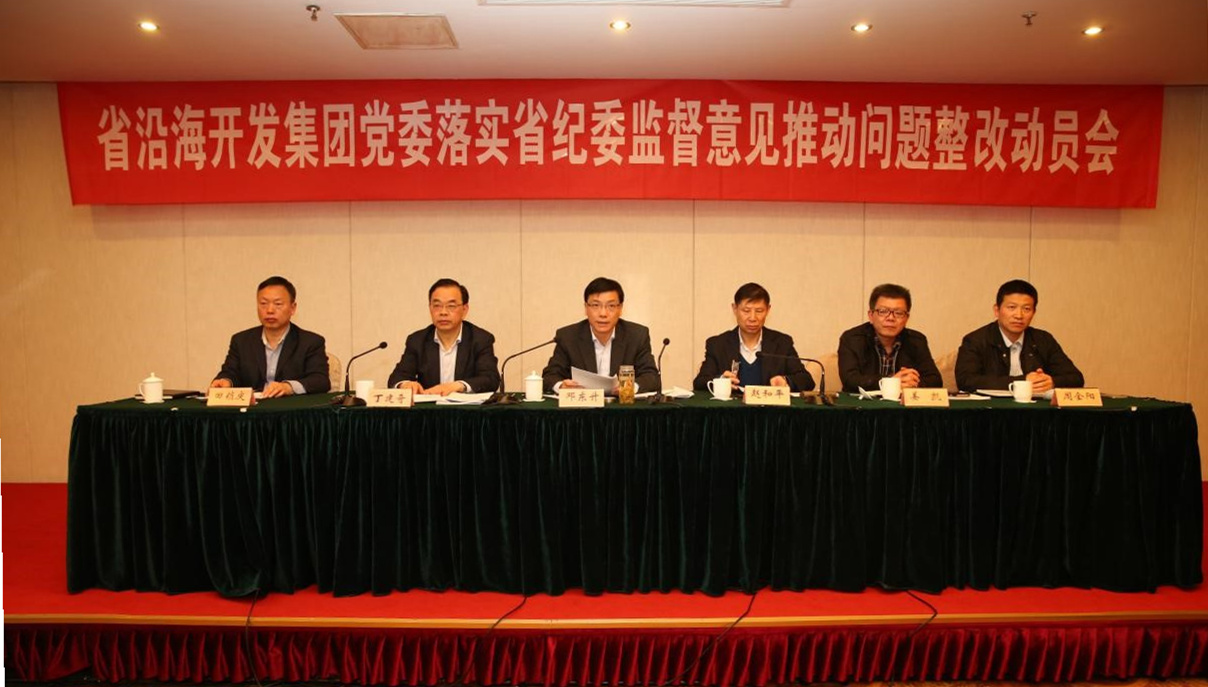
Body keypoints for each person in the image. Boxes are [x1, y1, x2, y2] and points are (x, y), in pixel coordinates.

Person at [955, 279, 1084, 392]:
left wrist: (1051, 382)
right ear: (997, 310)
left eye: (1026, 309)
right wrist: (1023, 382)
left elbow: (1076, 378)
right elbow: (966, 381)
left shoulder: (1043, 340)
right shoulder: (976, 340)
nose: (1019, 315)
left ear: (1034, 313)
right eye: (1012, 307)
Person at [212, 276, 330, 397]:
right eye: (263, 304)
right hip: (252, 407)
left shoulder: (310, 342)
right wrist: (225, 381)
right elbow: (230, 372)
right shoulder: (241, 341)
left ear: (292, 308)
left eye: (278, 304)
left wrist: (288, 387)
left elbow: (320, 381)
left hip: (289, 407)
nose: (269, 310)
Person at [542, 276, 660, 393]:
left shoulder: (637, 336)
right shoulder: (568, 337)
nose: (603, 313)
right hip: (583, 404)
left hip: (621, 404)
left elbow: (651, 377)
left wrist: (629, 388)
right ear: (586, 308)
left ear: (620, 309)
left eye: (611, 306)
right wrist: (561, 386)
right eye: (595, 305)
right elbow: (550, 376)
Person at [692, 282, 814, 392]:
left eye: (759, 311)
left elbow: (806, 380)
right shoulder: (718, 344)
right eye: (746, 311)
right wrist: (721, 380)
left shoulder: (782, 343)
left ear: (768, 310)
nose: (752, 318)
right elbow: (700, 382)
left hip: (770, 409)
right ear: (735, 309)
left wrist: (786, 381)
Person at [387, 278, 500, 396]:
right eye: (437, 305)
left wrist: (458, 386)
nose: (443, 312)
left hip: (466, 407)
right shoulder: (417, 341)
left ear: (464, 309)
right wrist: (405, 384)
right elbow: (397, 378)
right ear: (430, 308)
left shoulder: (480, 339)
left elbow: (490, 379)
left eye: (451, 306)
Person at [838, 283, 943, 393]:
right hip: (862, 403)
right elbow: (850, 380)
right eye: (883, 311)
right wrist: (891, 382)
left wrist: (912, 383)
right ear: (871, 316)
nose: (891, 318)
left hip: (902, 403)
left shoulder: (917, 341)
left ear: (906, 318)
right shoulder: (852, 339)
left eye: (898, 313)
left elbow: (935, 380)